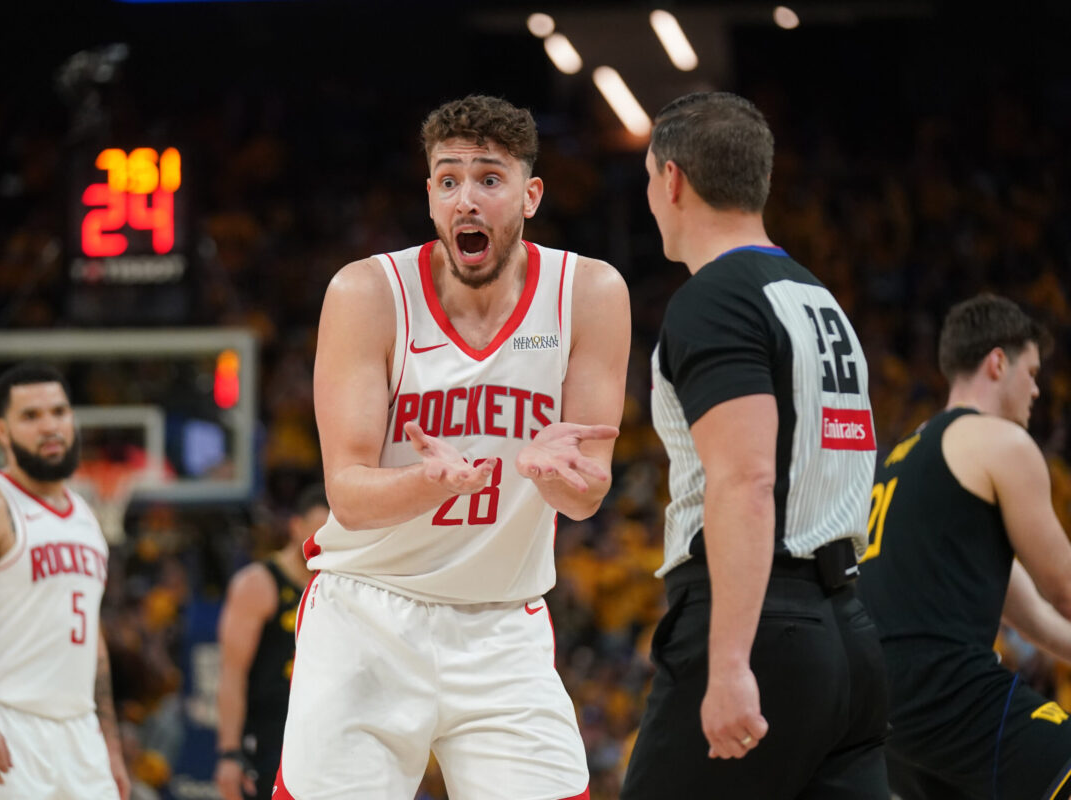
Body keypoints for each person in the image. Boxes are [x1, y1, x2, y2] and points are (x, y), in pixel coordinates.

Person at [275, 94, 630, 799]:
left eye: (489, 179)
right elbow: (346, 490)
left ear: (529, 195)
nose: (466, 199)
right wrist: (429, 484)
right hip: (367, 613)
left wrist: (557, 478)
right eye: (448, 179)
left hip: (501, 623)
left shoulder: (589, 292)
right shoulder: (367, 293)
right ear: (430, 195)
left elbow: (589, 495)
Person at [621, 91, 888, 799]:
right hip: (848, 635)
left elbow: (744, 478)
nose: (650, 198)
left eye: (649, 179)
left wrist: (730, 661)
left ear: (673, 180)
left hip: (762, 628)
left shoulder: (715, 299)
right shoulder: (817, 297)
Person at [857, 294, 1071, 799]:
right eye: (1033, 372)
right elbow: (1063, 587)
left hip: (880, 713)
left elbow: (1033, 617)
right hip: (945, 690)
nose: (1037, 390)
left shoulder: (907, 458)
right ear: (998, 362)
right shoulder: (1000, 443)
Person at [0, 363, 130, 800]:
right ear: (2, 431)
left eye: (58, 411)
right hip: (2, 723)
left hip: (80, 733)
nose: (49, 426)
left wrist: (109, 743)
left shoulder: (88, 518)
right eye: (31, 416)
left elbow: (92, 639)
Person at [214, 486, 328, 800]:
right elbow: (232, 673)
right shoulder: (258, 583)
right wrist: (229, 753)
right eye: (317, 532)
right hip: (269, 736)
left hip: (323, 732)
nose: (323, 542)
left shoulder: (338, 584)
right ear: (296, 527)